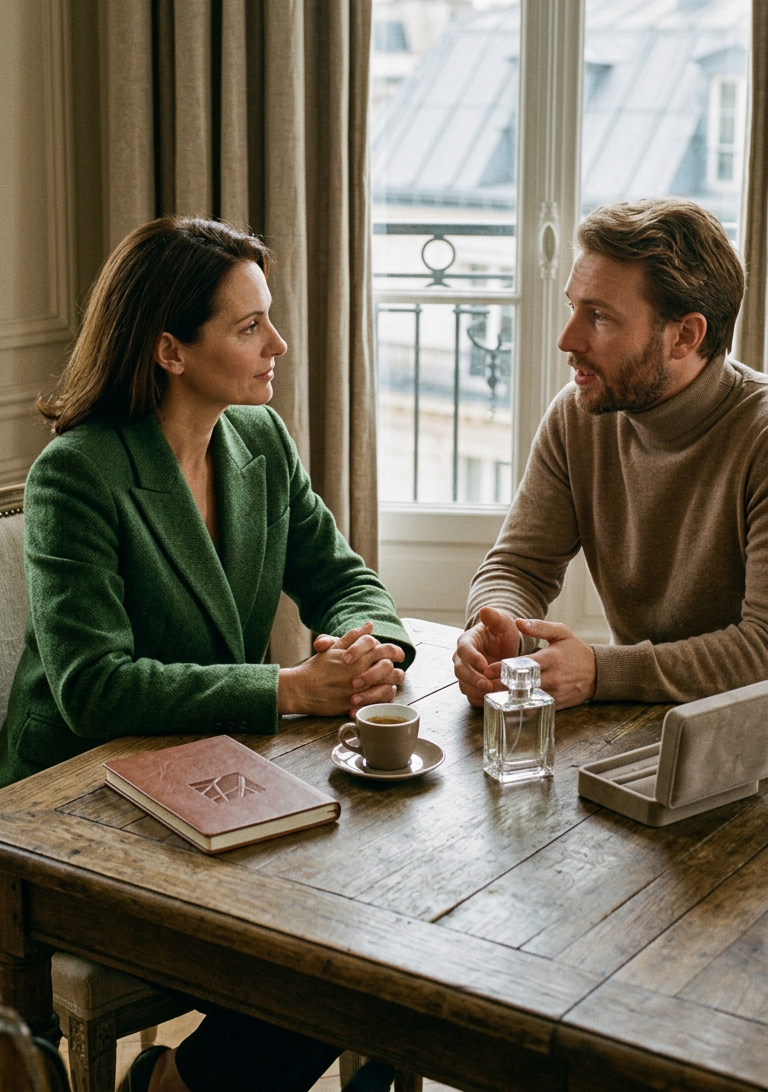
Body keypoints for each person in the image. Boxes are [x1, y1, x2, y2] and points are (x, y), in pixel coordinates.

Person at [0, 216, 414, 1092]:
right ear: (170, 350)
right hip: (77, 805)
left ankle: (178, 1085)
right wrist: (291, 689)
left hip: (214, 777)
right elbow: (94, 689)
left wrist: (373, 645)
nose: (281, 343)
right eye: (249, 325)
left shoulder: (260, 443)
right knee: (326, 949)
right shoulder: (77, 473)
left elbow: (340, 574)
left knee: (378, 922)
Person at [453, 198, 768, 711]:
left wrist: (601, 672)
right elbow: (518, 566)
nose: (566, 339)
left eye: (598, 317)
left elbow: (763, 649)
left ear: (685, 336)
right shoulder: (580, 414)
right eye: (572, 306)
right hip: (647, 724)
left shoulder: (761, 438)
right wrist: (498, 625)